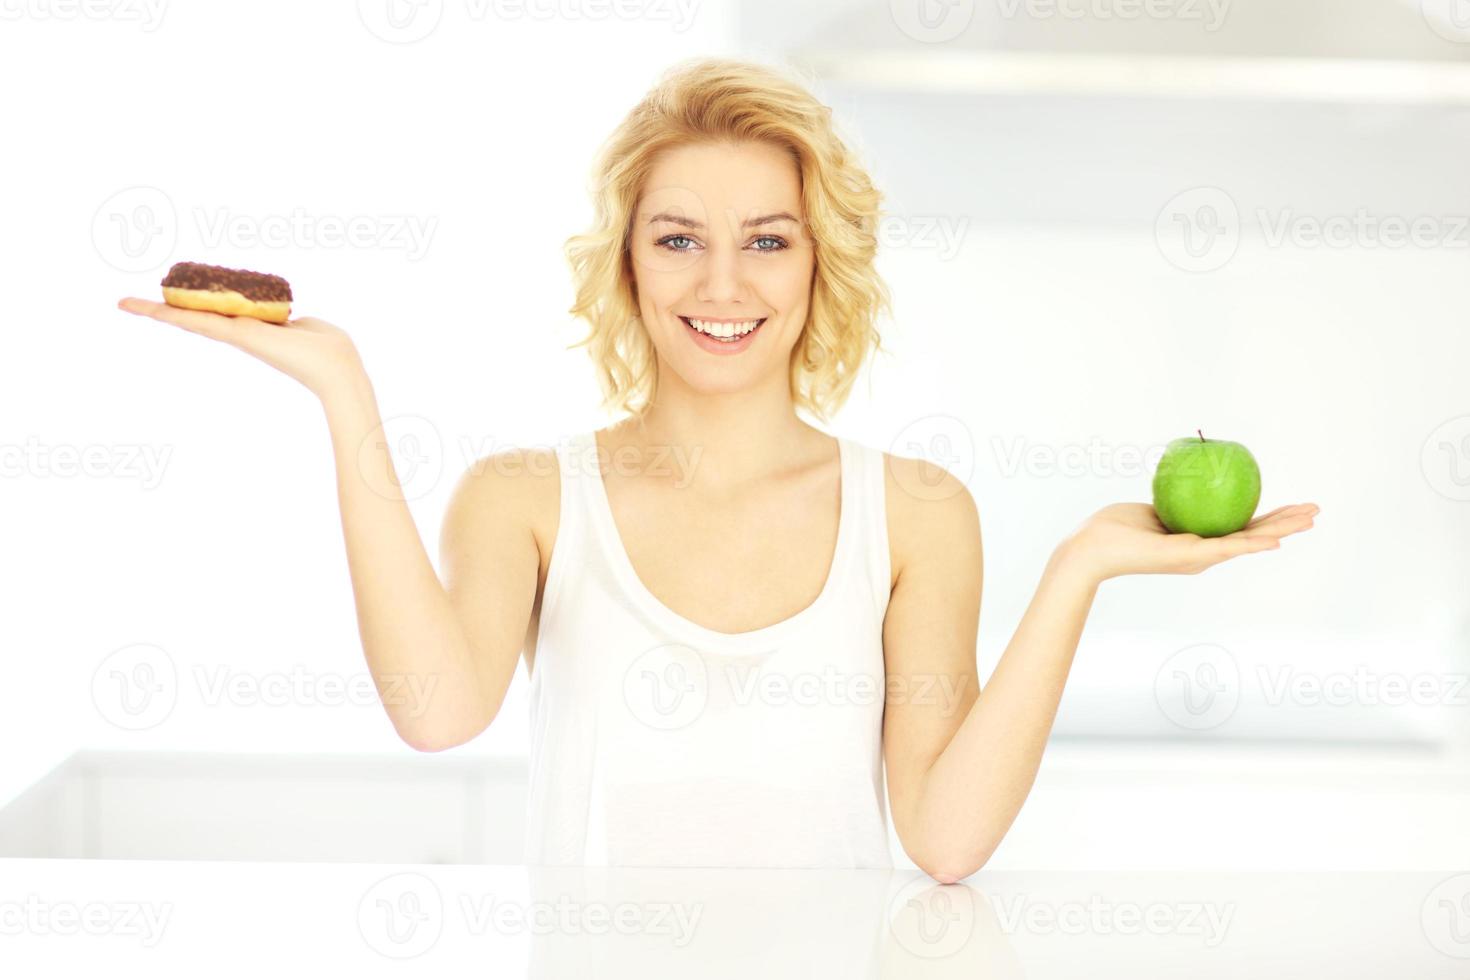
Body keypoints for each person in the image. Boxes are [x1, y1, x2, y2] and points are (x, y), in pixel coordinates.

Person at [116, 57, 1318, 881]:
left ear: (817, 266)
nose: (724, 286)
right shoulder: (525, 496)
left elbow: (944, 839)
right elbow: (439, 713)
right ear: (629, 263)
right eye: (679, 238)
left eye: (768, 241)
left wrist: (1078, 571)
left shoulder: (915, 515)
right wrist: (346, 393)